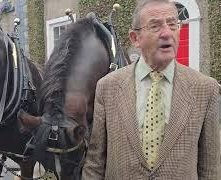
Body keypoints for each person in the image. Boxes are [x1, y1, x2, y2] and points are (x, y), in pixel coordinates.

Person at [81, 0, 221, 179]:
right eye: (155, 26)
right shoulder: (107, 87)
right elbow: (95, 163)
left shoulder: (205, 89)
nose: (167, 33)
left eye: (173, 25)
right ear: (135, 38)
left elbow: (210, 169)